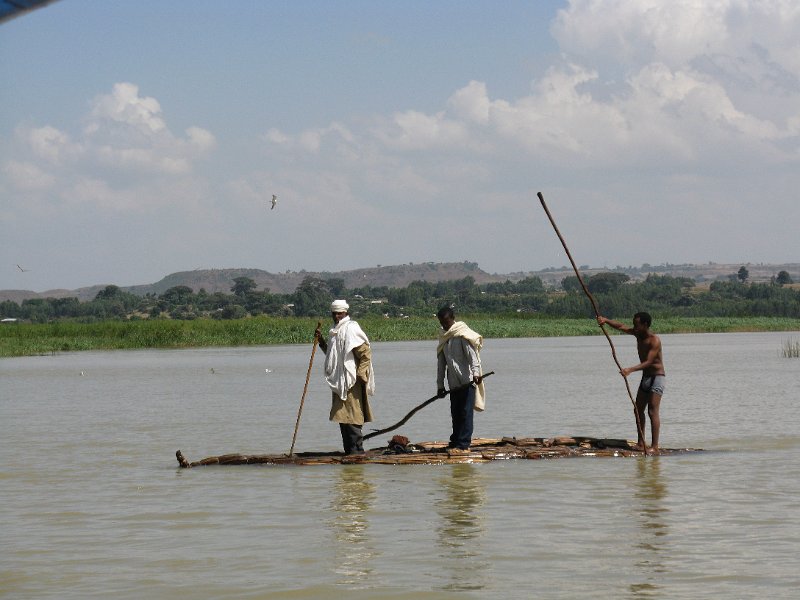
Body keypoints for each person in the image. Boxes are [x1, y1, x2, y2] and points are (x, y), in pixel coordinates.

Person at [597, 312, 665, 454]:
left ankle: (655, 446)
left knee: (652, 411)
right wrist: (606, 320)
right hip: (646, 378)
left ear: (645, 325)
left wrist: (630, 369)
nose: (634, 327)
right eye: (634, 324)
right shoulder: (637, 334)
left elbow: (649, 362)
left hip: (656, 377)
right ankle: (641, 443)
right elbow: (621, 326)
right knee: (638, 409)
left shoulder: (654, 340)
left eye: (637, 325)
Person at [315, 300, 375, 455]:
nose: (336, 316)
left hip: (351, 380)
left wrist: (361, 373)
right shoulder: (335, 332)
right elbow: (333, 356)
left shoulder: (351, 329)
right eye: (334, 314)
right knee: (343, 417)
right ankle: (349, 451)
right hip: (340, 380)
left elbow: (365, 354)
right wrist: (321, 342)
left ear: (346, 313)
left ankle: (357, 451)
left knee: (353, 416)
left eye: (339, 313)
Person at [436, 306, 485, 453]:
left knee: (465, 413)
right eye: (442, 323)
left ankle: (463, 445)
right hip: (453, 384)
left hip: (467, 381)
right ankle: (455, 440)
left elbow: (473, 358)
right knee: (455, 413)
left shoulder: (462, 335)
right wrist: (440, 386)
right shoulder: (444, 337)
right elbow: (441, 364)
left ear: (452, 319)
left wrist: (476, 373)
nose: (445, 325)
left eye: (446, 322)